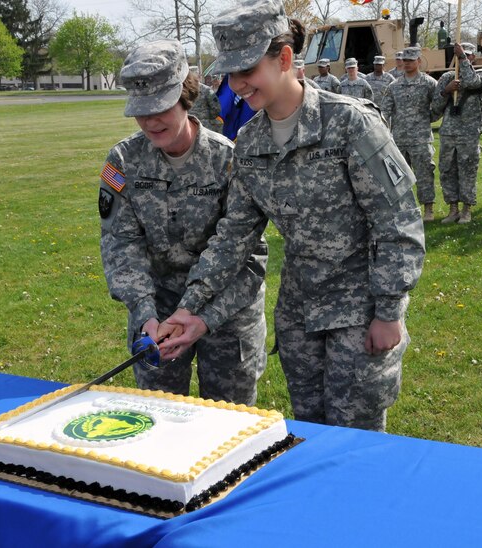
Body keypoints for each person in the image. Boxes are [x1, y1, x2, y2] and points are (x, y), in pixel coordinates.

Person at [158, 0, 425, 432]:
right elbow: (234, 236)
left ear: (283, 58)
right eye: (231, 74)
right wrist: (190, 306)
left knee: (354, 438)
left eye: (248, 71)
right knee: (311, 430)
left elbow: (398, 223)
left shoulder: (349, 124)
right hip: (300, 312)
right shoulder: (249, 142)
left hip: (359, 309)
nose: (238, 85)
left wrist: (390, 311)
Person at [98, 40, 268, 405]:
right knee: (156, 417)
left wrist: (202, 317)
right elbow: (120, 243)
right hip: (157, 316)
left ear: (185, 97)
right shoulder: (124, 160)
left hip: (225, 313)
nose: (150, 121)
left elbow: (251, 259)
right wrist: (145, 314)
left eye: (160, 107)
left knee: (227, 422)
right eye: (140, 111)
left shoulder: (229, 160)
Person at [381, 46, 440, 222]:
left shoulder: (429, 83)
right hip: (399, 139)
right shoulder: (394, 85)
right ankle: (405, 209)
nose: (406, 63)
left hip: (421, 139)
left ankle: (428, 208)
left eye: (410, 60)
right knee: (399, 178)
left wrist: (426, 120)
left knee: (424, 174)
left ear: (418, 61)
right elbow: (385, 111)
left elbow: (438, 107)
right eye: (404, 60)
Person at [432, 42, 482, 224]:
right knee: (447, 170)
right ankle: (453, 208)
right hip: (449, 131)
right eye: (461, 56)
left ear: (473, 57)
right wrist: (446, 91)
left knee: (468, 170)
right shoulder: (447, 77)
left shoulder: (480, 74)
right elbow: (435, 108)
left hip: (469, 131)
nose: (464, 58)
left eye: (468, 55)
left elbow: (473, 83)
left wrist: (463, 58)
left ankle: (466, 209)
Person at [189, 67, 225, 133]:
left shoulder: (183, 91)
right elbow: (216, 109)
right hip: (203, 126)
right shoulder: (206, 90)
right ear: (198, 76)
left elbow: (216, 109)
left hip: (193, 127)